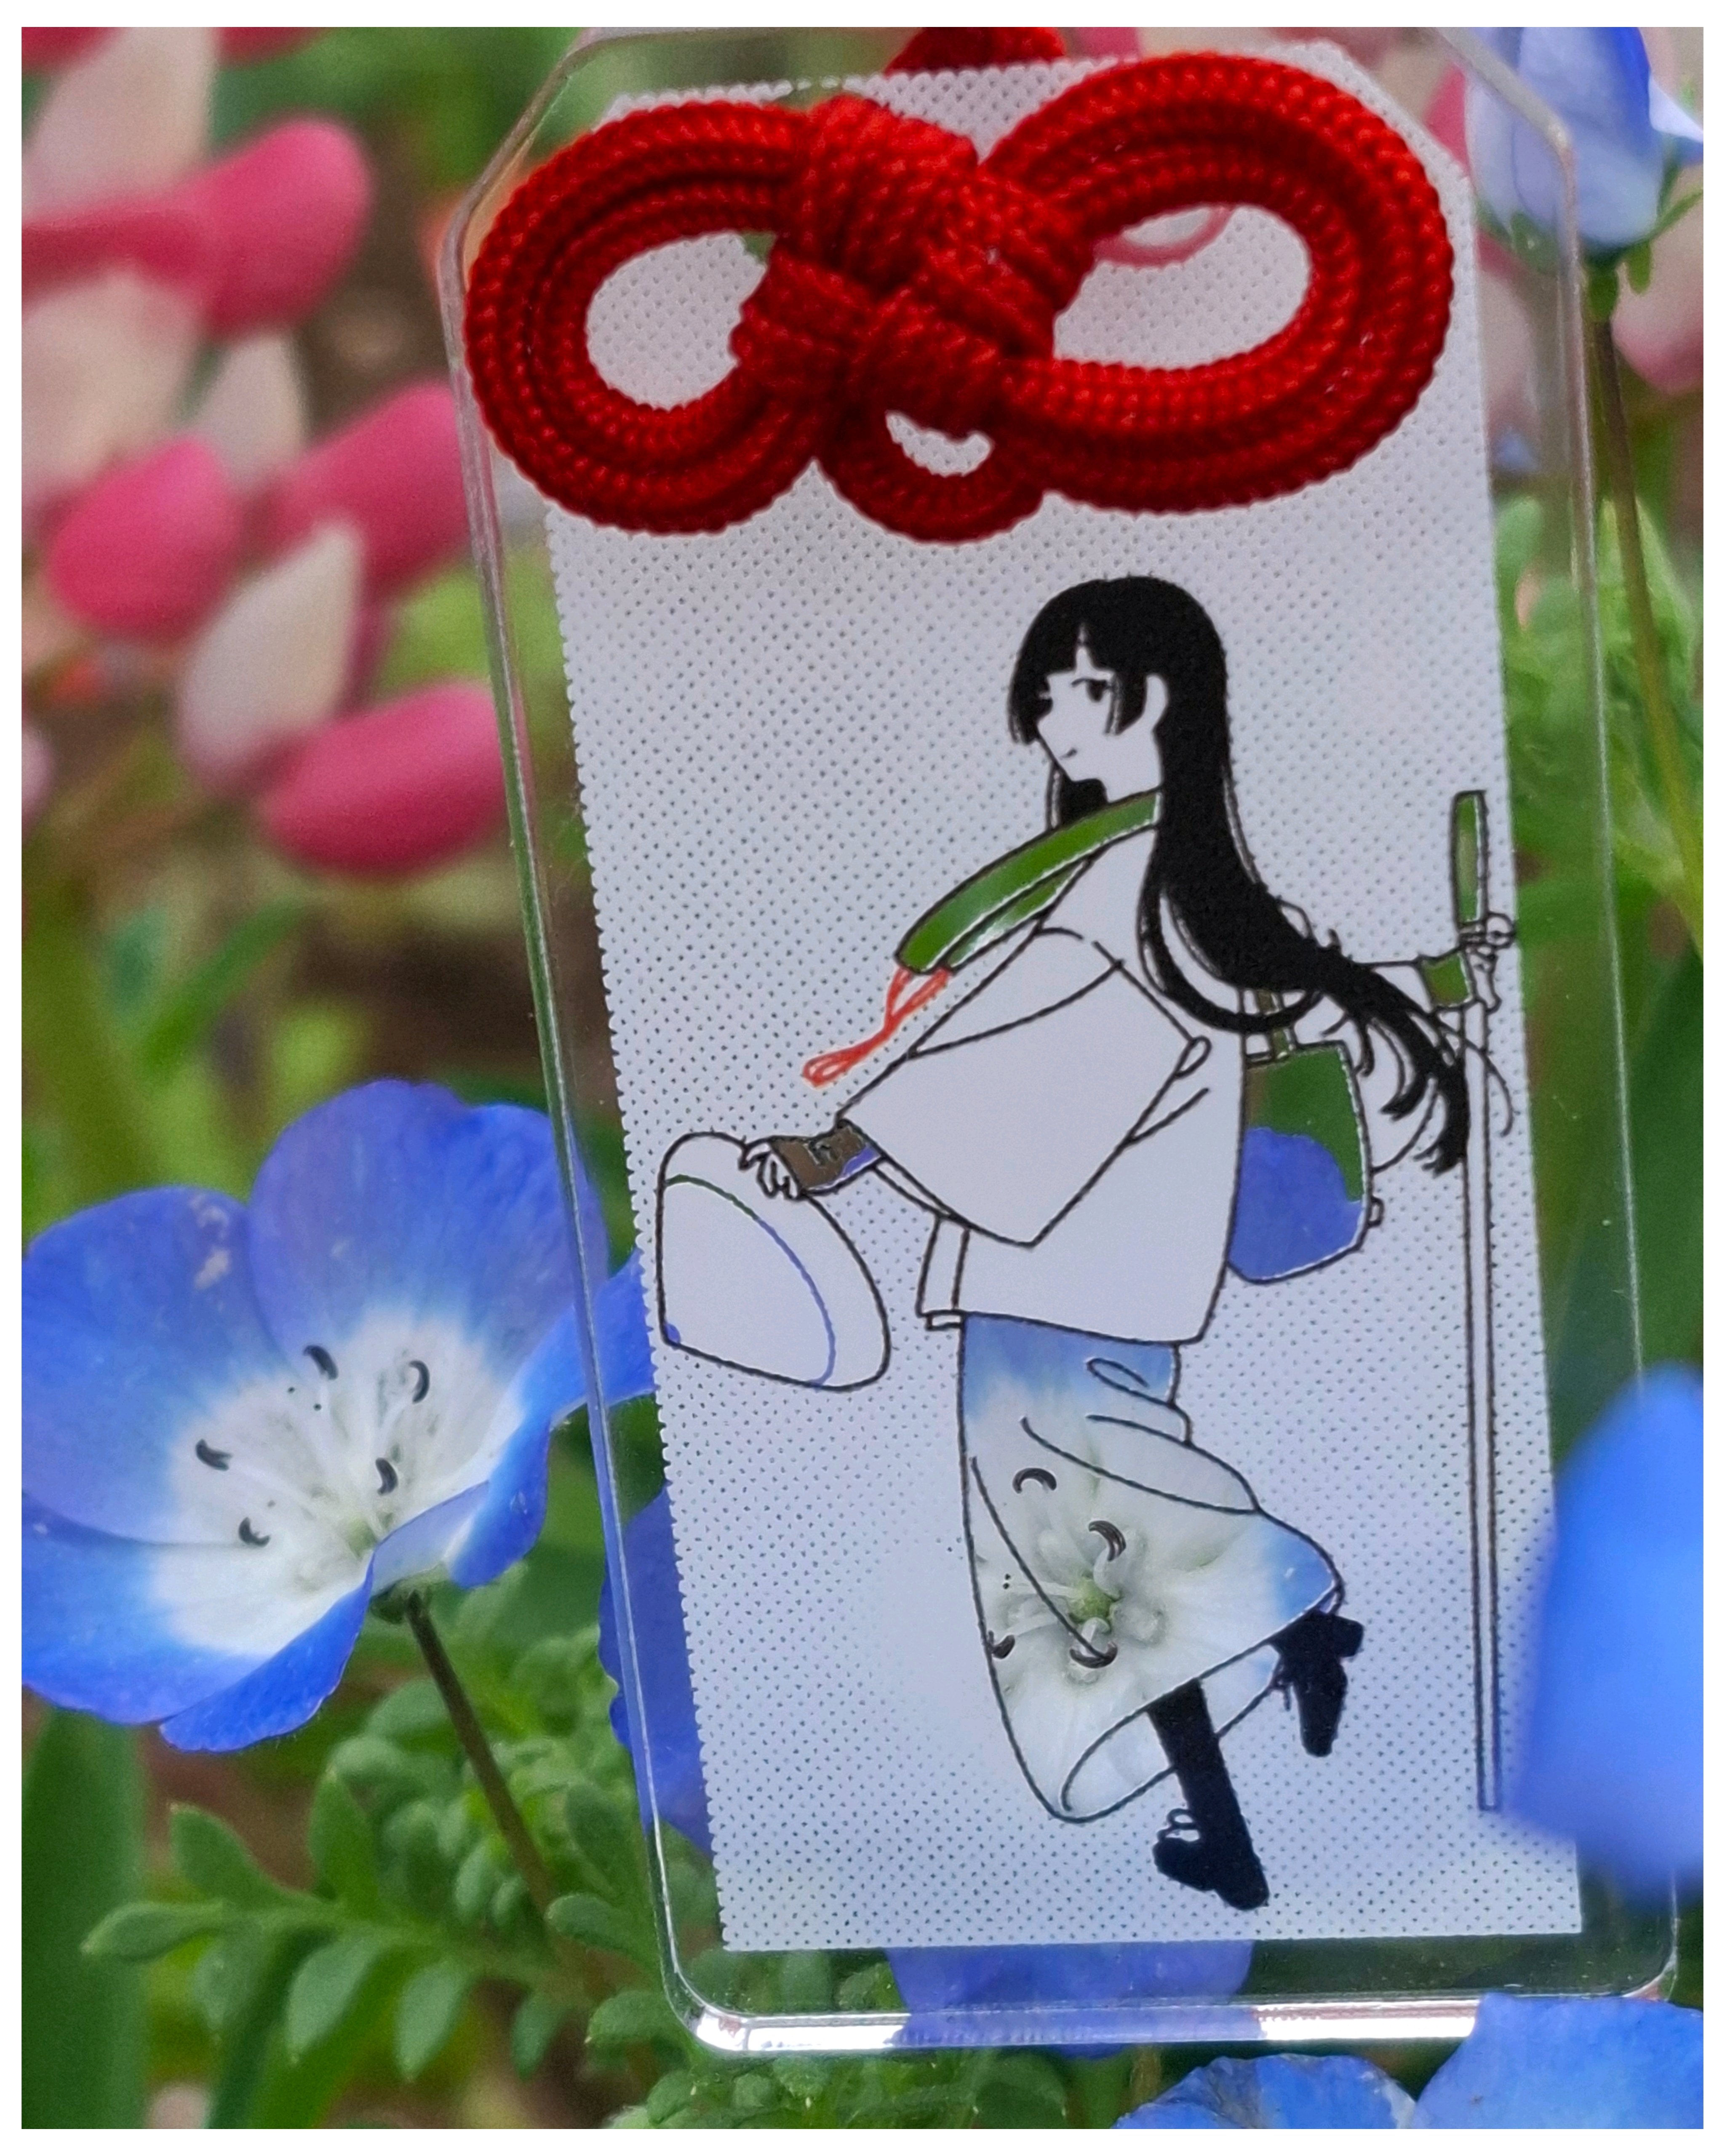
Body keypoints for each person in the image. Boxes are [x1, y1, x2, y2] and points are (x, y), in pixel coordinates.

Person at [742, 576, 1474, 1911]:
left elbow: (1016, 1061)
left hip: (1056, 1280)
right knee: (1111, 1563)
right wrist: (1435, 980)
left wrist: (839, 1153)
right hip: (1125, 1275)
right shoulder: (1175, 877)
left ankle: (1295, 1621)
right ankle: (1239, 1793)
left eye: (1078, 688)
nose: (1050, 719)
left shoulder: (1116, 891)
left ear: (1160, 698)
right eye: (1045, 693)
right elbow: (1283, 979)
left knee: (1098, 1560)